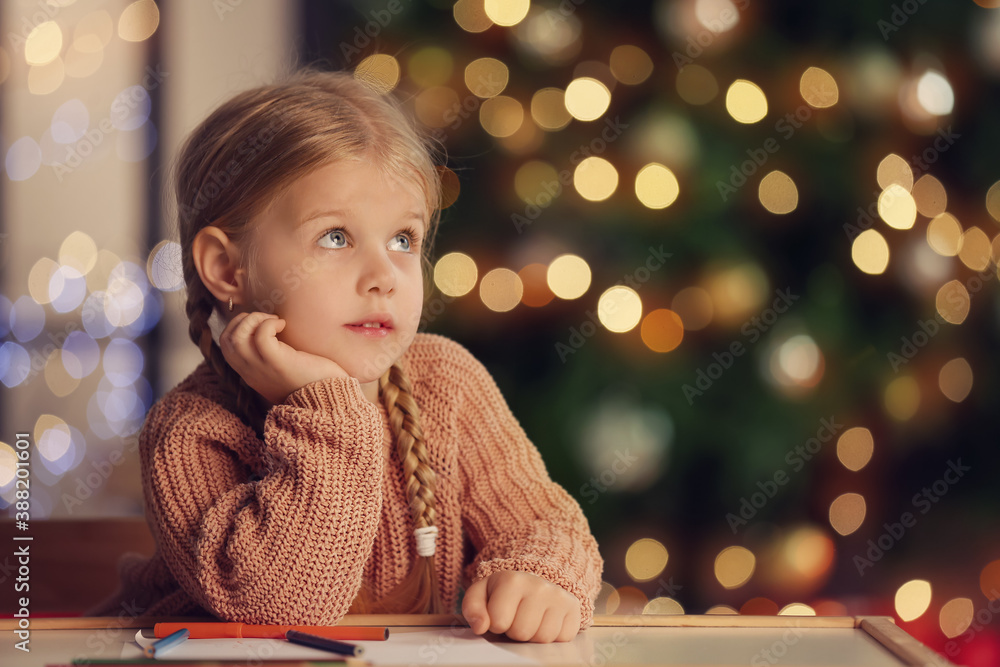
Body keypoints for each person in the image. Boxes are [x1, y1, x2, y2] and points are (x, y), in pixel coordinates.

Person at [87, 67, 604, 644]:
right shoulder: (190, 433)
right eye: (335, 237)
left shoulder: (446, 382)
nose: (384, 275)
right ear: (228, 269)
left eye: (403, 240)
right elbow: (279, 607)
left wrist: (541, 576)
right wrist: (328, 412)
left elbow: (545, 523)